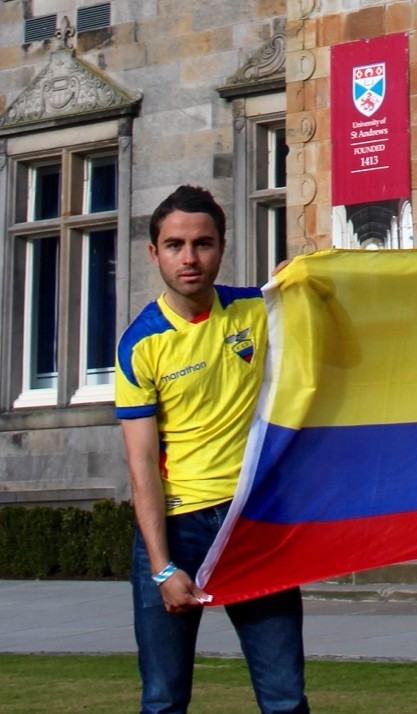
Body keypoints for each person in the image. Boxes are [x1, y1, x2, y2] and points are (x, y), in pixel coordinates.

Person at [115, 185, 309, 713]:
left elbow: (332, 322)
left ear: (222, 247)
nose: (190, 257)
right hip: (179, 530)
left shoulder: (256, 310)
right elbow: (141, 466)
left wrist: (314, 278)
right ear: (153, 253)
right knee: (162, 700)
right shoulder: (140, 344)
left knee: (285, 698)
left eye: (202, 243)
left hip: (252, 525)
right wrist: (161, 567)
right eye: (175, 245)